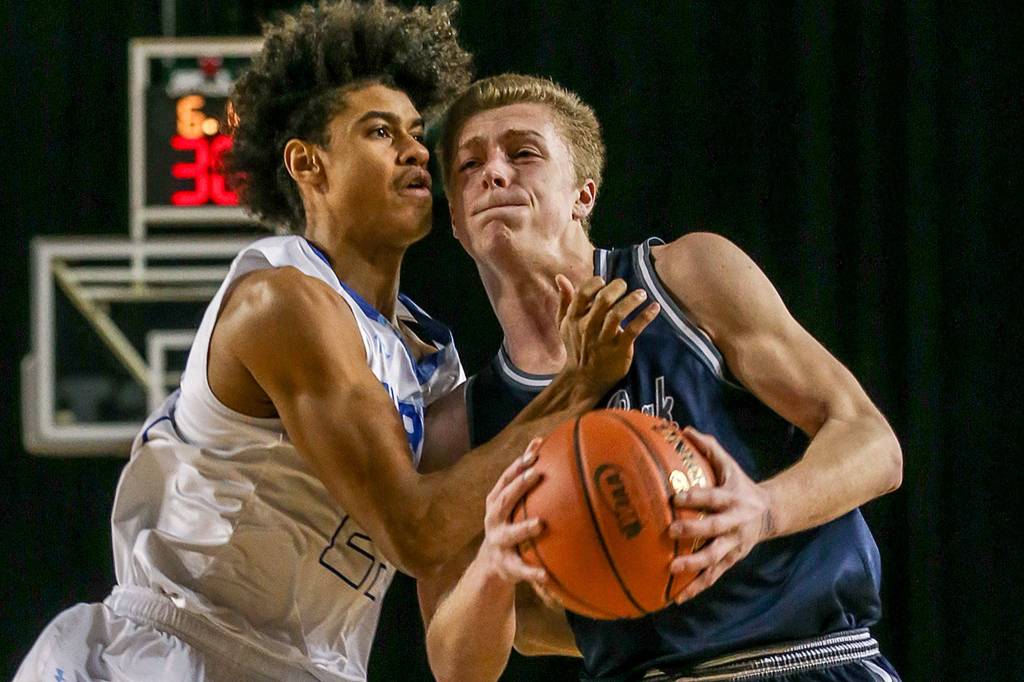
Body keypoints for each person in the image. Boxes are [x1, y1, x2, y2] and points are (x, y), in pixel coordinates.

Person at [13, 8, 658, 681]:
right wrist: (577, 391)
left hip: (304, 666)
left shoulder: (429, 362)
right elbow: (414, 531)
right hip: (170, 653)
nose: (416, 151)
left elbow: (476, 610)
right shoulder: (283, 302)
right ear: (307, 163)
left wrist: (665, 608)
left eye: (417, 134)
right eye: (380, 132)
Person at [418, 73, 904, 682]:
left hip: (804, 660)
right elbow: (458, 667)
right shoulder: (459, 428)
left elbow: (874, 444)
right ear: (457, 221)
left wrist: (764, 510)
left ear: (583, 195)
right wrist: (496, 563)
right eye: (469, 165)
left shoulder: (682, 277)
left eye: (523, 153)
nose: (493, 172)